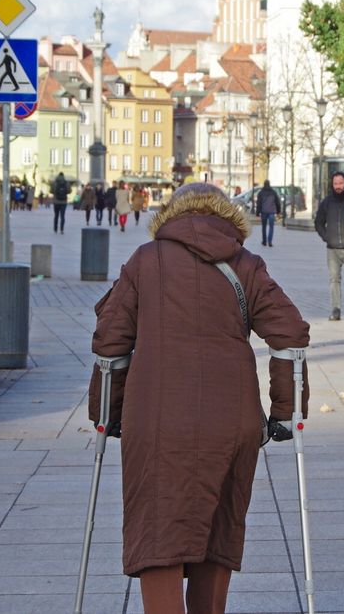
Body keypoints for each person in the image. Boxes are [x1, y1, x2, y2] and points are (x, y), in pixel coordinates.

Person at [88, 182, 310, 614]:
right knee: (217, 529)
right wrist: (286, 411)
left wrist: (109, 415)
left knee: (159, 529)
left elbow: (110, 345)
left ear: (170, 216)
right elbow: (290, 335)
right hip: (232, 419)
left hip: (156, 418)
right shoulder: (247, 263)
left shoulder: (145, 261)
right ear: (227, 217)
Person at [314, 171, 344, 321]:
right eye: (335, 184)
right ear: (332, 185)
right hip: (332, 250)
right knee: (334, 279)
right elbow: (318, 222)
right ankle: (336, 309)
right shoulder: (327, 202)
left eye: (340, 183)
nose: (338, 186)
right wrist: (326, 237)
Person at [254, 179, 281, 247]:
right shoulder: (273, 192)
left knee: (264, 227)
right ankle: (270, 241)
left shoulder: (261, 193)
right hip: (271, 212)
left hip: (264, 212)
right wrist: (278, 211)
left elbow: (259, 204)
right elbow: (277, 202)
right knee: (271, 227)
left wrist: (257, 213)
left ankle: (264, 241)